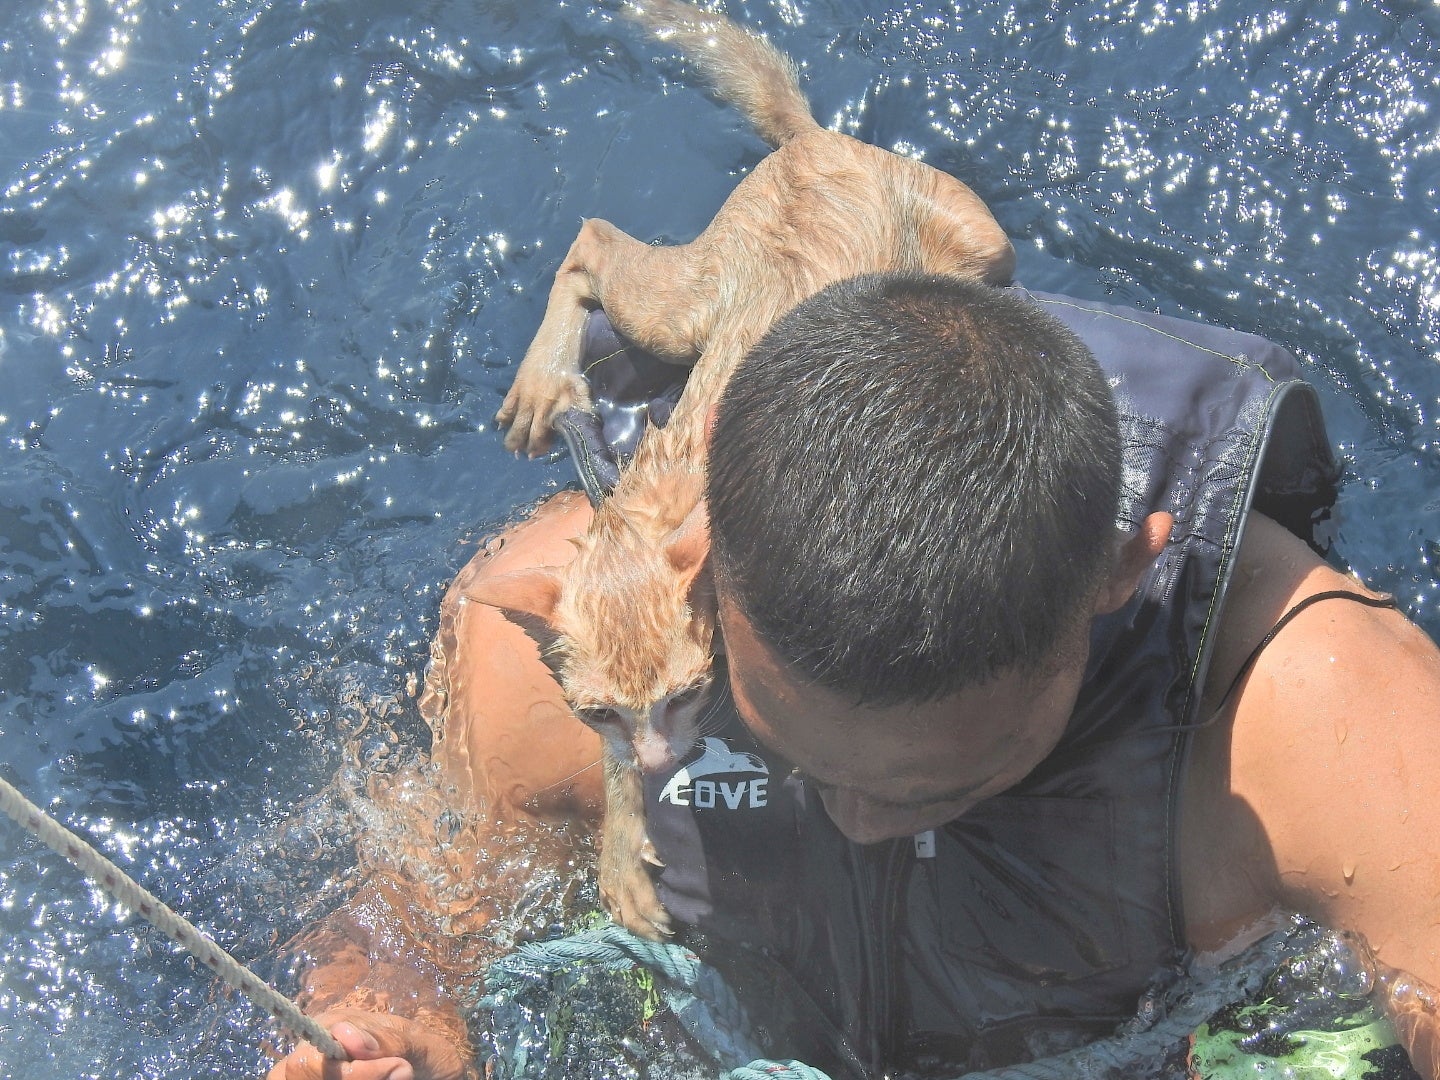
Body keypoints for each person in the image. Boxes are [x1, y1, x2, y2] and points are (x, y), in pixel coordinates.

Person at [268, 274, 1440, 1080]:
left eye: (939, 787)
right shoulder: (571, 662)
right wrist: (392, 1030)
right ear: (701, 551)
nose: (856, 823)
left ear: (1118, 574)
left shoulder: (1306, 717)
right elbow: (415, 930)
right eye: (792, 752)